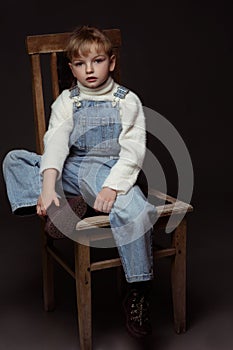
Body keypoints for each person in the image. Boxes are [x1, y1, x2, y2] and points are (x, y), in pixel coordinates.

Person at [2, 25, 157, 338]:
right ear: (71, 67)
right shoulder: (66, 101)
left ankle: (138, 289)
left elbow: (133, 151)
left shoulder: (127, 101)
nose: (89, 69)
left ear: (111, 63)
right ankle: (62, 204)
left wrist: (113, 187)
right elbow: (56, 145)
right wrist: (47, 189)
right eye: (80, 64)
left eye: (97, 61)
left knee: (136, 209)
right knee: (15, 159)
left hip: (110, 170)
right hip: (73, 168)